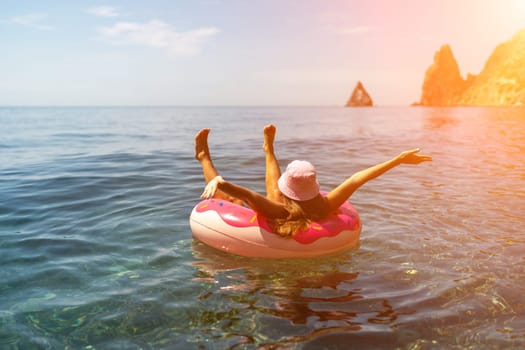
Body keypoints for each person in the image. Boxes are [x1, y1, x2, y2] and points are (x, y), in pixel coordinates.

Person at [195, 124, 432, 238]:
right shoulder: (327, 205)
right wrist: (398, 160)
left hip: (274, 223)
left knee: (232, 199)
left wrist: (220, 182)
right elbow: (357, 179)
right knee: (267, 195)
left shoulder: (279, 210)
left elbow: (248, 196)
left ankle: (204, 158)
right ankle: (268, 149)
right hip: (304, 214)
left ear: (288, 190)